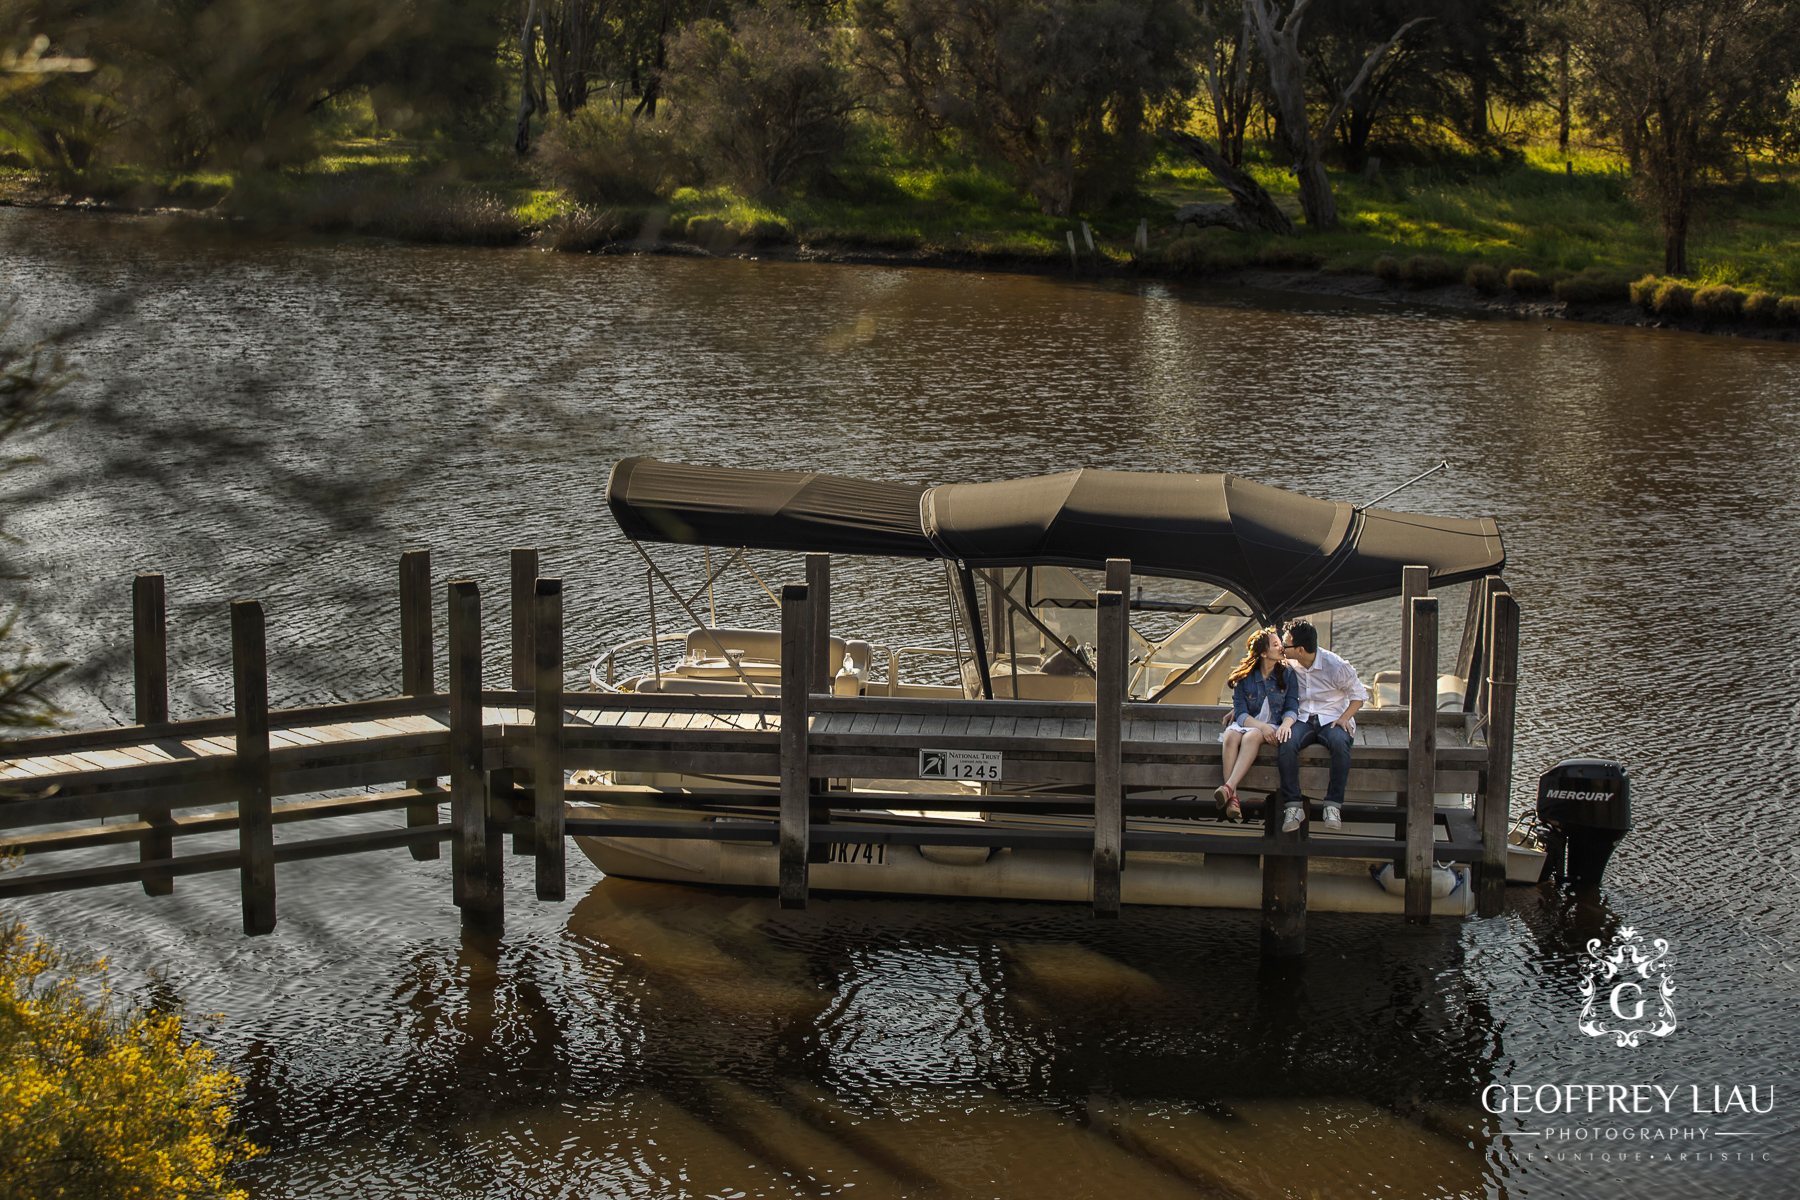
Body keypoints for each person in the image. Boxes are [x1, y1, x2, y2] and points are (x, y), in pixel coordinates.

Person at [1275, 619, 1367, 833]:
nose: (1281, 647)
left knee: (1339, 743)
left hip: (1332, 718)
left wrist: (1345, 718)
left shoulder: (1335, 666)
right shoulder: (1289, 663)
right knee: (1286, 743)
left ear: (1300, 649)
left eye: (1285, 644)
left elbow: (1359, 695)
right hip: (1303, 718)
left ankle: (1333, 805)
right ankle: (1293, 806)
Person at [1214, 627, 1296, 822]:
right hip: (1251, 722)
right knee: (1230, 736)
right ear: (1263, 652)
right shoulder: (1244, 676)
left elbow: (1292, 706)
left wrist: (1283, 724)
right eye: (1276, 645)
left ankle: (1229, 788)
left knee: (1251, 736)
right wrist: (1261, 726)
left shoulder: (1288, 673)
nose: (1281, 648)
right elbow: (1241, 713)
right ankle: (1233, 798)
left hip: (1273, 725)